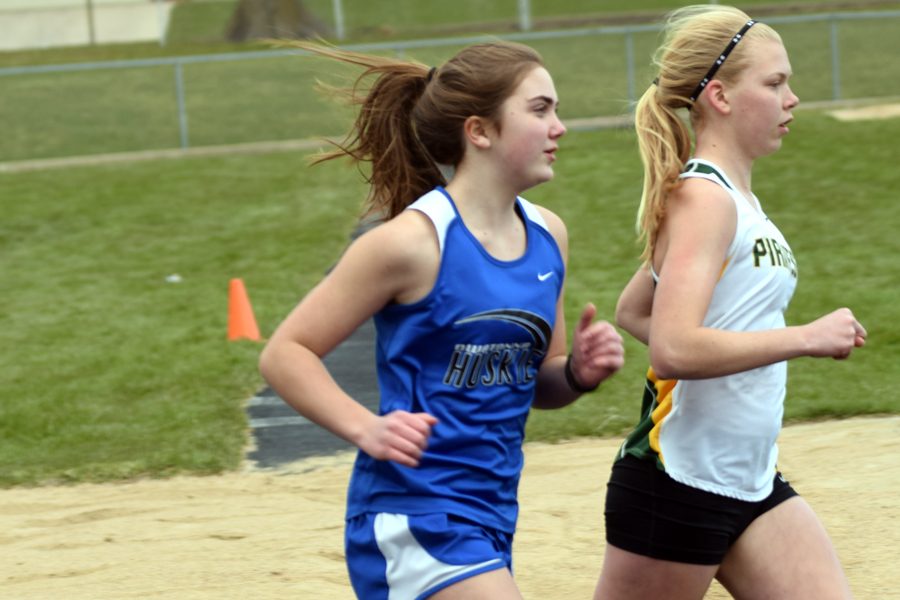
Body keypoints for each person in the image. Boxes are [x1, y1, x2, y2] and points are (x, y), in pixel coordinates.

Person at [258, 40, 625, 599]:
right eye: (540, 109)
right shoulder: (411, 243)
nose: (560, 127)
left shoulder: (549, 235)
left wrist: (576, 372)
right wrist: (366, 428)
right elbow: (286, 352)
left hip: (492, 512)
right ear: (479, 131)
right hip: (413, 513)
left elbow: (538, 382)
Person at [593, 5, 866, 600]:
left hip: (748, 479)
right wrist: (805, 338)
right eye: (774, 83)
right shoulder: (705, 198)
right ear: (719, 95)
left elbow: (636, 310)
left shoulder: (733, 199)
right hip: (678, 484)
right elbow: (671, 346)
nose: (791, 98)